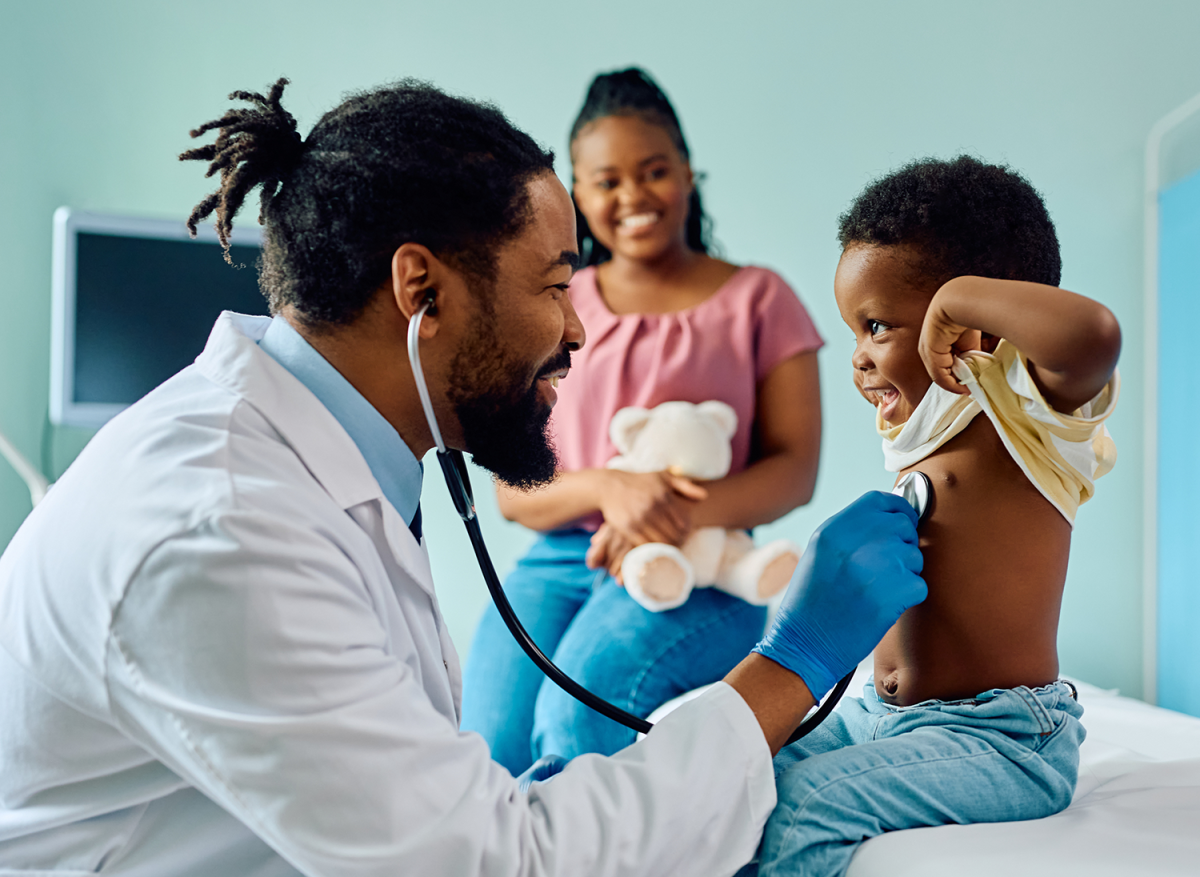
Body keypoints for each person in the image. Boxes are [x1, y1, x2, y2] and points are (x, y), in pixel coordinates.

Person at [0, 78, 926, 876]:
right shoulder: (219, 527)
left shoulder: (322, 466)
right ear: (421, 291)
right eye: (554, 286)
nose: (578, 332)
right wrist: (794, 664)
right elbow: (493, 861)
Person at [741, 156, 1121, 877]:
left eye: (877, 325)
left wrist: (961, 300)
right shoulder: (925, 421)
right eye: (854, 330)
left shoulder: (1024, 411)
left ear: (972, 331)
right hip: (879, 715)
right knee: (742, 770)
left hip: (1002, 738)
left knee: (804, 800)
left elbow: (1093, 334)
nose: (858, 357)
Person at [462, 68, 824, 773]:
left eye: (654, 171)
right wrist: (612, 490)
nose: (632, 196)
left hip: (701, 567)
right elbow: (512, 492)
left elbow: (794, 471)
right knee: (487, 744)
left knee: (575, 718)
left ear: (688, 171)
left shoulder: (761, 300)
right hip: (564, 560)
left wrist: (666, 514)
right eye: (606, 181)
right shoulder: (557, 302)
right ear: (575, 190)